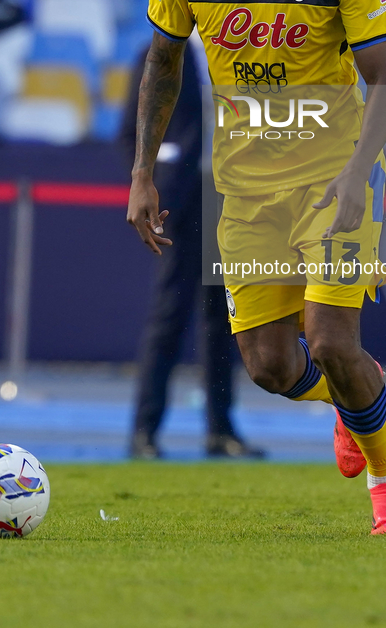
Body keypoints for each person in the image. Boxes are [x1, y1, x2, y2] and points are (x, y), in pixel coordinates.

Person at [127, 0, 386, 535]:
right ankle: (358, 395)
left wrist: (356, 175)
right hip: (246, 188)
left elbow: (384, 77)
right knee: (269, 367)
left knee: (328, 340)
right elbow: (161, 63)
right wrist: (141, 173)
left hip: (333, 177)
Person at [121, 37, 265, 459]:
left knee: (226, 319)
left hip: (233, 198)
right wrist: (154, 184)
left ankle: (220, 430)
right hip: (180, 204)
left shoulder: (244, 50)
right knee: (169, 315)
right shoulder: (159, 54)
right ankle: (144, 432)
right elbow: (129, 132)